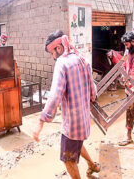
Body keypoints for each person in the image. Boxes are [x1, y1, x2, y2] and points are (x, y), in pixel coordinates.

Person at [33, 30, 101, 178]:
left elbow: (55, 94)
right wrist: (91, 98)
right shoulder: (81, 58)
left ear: (59, 47)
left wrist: (41, 120)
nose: (52, 56)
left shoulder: (62, 63)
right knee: (78, 144)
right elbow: (93, 90)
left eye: (52, 52)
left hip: (72, 124)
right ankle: (92, 165)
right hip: (84, 120)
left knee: (68, 160)